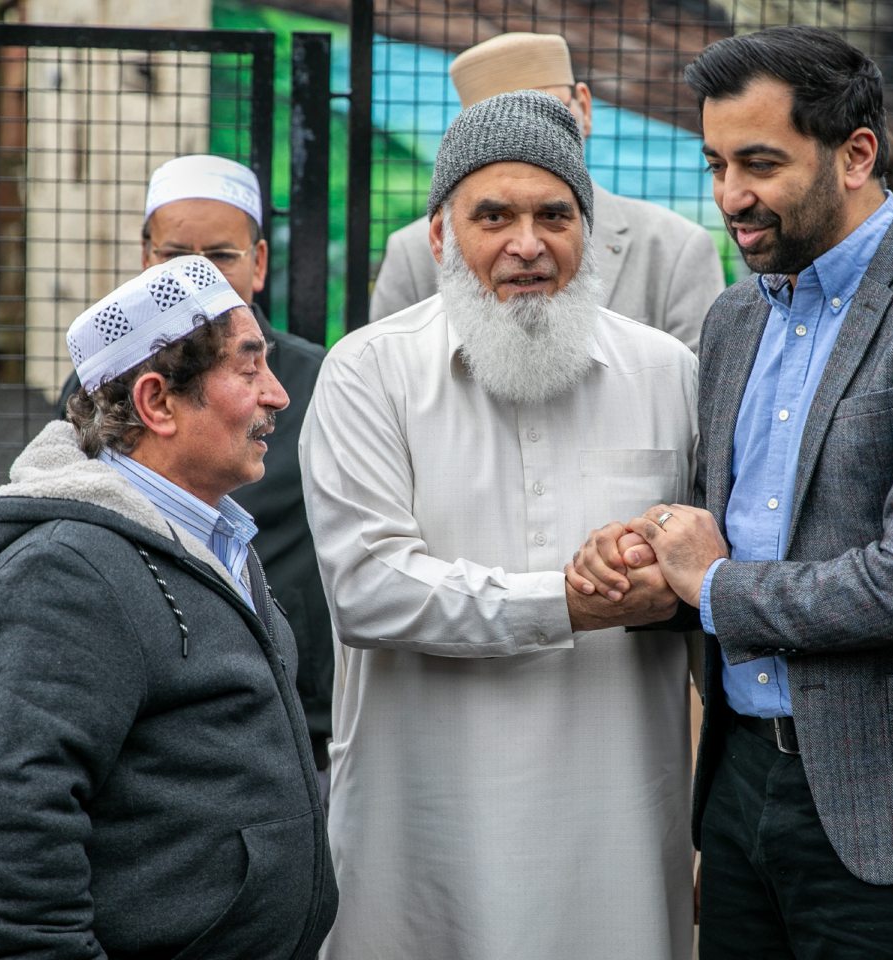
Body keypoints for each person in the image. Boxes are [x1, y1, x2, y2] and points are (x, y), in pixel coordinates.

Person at [567, 25, 893, 958]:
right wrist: (640, 572)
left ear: (857, 153)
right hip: (741, 786)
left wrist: (704, 584)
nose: (729, 196)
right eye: (714, 162)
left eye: (759, 163)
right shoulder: (737, 316)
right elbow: (724, 540)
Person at [302, 90, 699, 960]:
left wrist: (663, 566)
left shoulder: (669, 373)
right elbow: (367, 591)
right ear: (440, 237)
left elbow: (710, 570)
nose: (529, 244)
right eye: (494, 215)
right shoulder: (369, 373)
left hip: (616, 823)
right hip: (427, 829)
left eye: (556, 214)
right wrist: (568, 600)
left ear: (588, 234)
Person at [0, 256, 337, 960]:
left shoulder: (212, 533)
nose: (278, 395)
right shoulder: (65, 572)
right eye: (248, 370)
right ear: (158, 403)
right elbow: (19, 833)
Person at [54, 155, 333, 790]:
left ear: (259, 263)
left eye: (222, 256)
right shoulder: (96, 385)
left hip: (295, 702)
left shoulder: (322, 384)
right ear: (151, 402)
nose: (196, 273)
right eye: (175, 251)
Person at [368, 31, 724, 352]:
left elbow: (696, 396)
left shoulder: (674, 247)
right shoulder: (415, 251)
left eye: (552, 112)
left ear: (584, 107)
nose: (533, 134)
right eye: (504, 119)